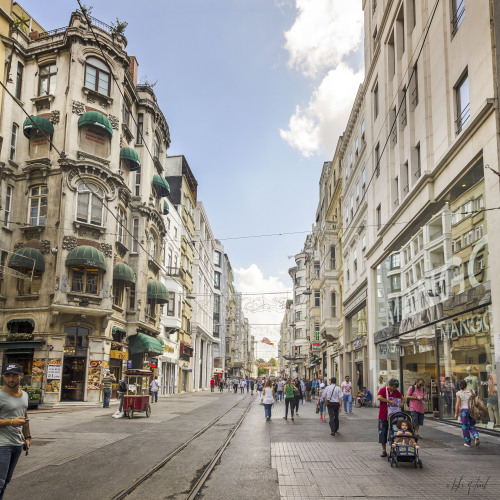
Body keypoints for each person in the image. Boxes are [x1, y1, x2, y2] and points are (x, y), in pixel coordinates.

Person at [0, 363, 31, 499]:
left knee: (6, 481)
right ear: (3, 377)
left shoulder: (24, 395)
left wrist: (28, 437)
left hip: (17, 444)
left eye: (14, 375)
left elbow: (25, 415)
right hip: (2, 444)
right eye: (7, 376)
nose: (11, 379)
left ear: (21, 376)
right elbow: (15, 420)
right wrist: (11, 422)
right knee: (0, 482)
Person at [377, 378, 404, 457]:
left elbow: (402, 397)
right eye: (393, 387)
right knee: (383, 432)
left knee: (394, 432)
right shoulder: (383, 390)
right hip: (383, 415)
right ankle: (383, 450)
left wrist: (402, 403)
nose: (394, 389)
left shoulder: (396, 391)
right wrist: (389, 401)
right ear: (389, 385)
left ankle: (393, 449)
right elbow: (379, 397)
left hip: (393, 416)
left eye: (395, 388)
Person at [455, 379, 480, 447]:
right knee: (471, 425)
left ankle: (468, 442)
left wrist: (456, 413)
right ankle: (476, 435)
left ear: (460, 386)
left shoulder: (459, 393)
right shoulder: (472, 391)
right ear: (466, 384)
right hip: (472, 410)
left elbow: (457, 404)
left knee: (465, 427)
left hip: (464, 411)